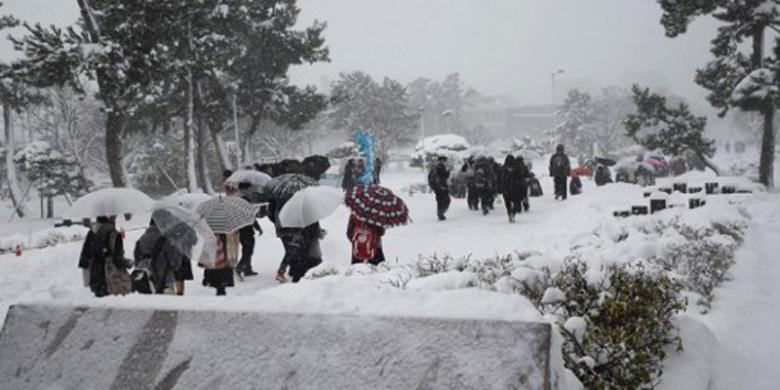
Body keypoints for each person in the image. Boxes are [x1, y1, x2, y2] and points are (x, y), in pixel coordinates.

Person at [78, 216, 132, 297]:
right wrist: (128, 263)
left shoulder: (92, 233)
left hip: (95, 278)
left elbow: (84, 258)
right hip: (111, 280)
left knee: (100, 307)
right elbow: (117, 259)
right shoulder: (113, 234)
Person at [133, 217, 182, 295]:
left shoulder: (140, 241)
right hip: (166, 282)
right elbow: (175, 264)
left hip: (146, 285)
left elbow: (136, 263)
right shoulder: (168, 240)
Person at [236, 183, 262, 277]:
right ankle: (239, 267)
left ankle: (247, 268)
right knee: (248, 250)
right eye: (248, 189)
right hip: (246, 228)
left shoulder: (237, 199)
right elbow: (250, 215)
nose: (250, 191)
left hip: (242, 228)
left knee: (246, 249)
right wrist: (257, 227)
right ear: (244, 190)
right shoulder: (244, 200)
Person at [500, 155, 529, 223]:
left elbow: (501, 180)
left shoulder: (506, 169)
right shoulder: (506, 169)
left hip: (513, 189)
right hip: (511, 189)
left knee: (513, 203)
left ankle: (512, 213)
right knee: (511, 203)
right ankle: (511, 214)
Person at [428, 156, 451, 221]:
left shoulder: (434, 168)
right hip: (441, 186)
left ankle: (440, 213)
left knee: (440, 200)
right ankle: (441, 213)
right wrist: (448, 171)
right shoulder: (440, 167)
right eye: (444, 161)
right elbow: (444, 176)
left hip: (437, 187)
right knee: (445, 200)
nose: (445, 162)